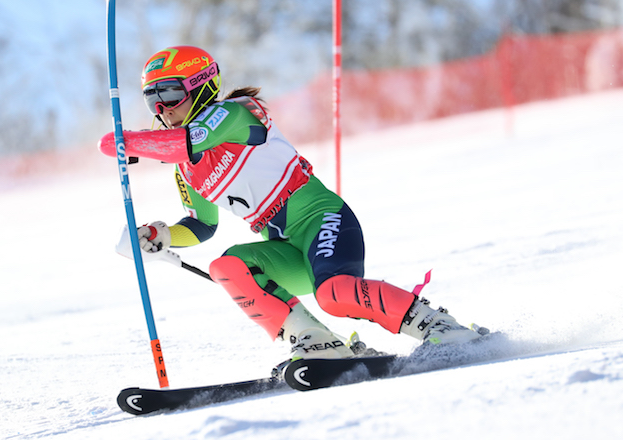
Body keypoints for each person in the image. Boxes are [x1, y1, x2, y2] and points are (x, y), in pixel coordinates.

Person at [99, 45, 485, 362]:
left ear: (200, 86)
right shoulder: (186, 170)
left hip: (323, 220)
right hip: (287, 247)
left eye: (169, 93)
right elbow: (202, 226)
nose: (161, 108)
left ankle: (439, 327)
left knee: (334, 294)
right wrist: (159, 235)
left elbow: (186, 141)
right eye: (152, 99)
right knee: (226, 265)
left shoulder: (236, 113)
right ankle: (317, 342)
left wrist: (128, 142)